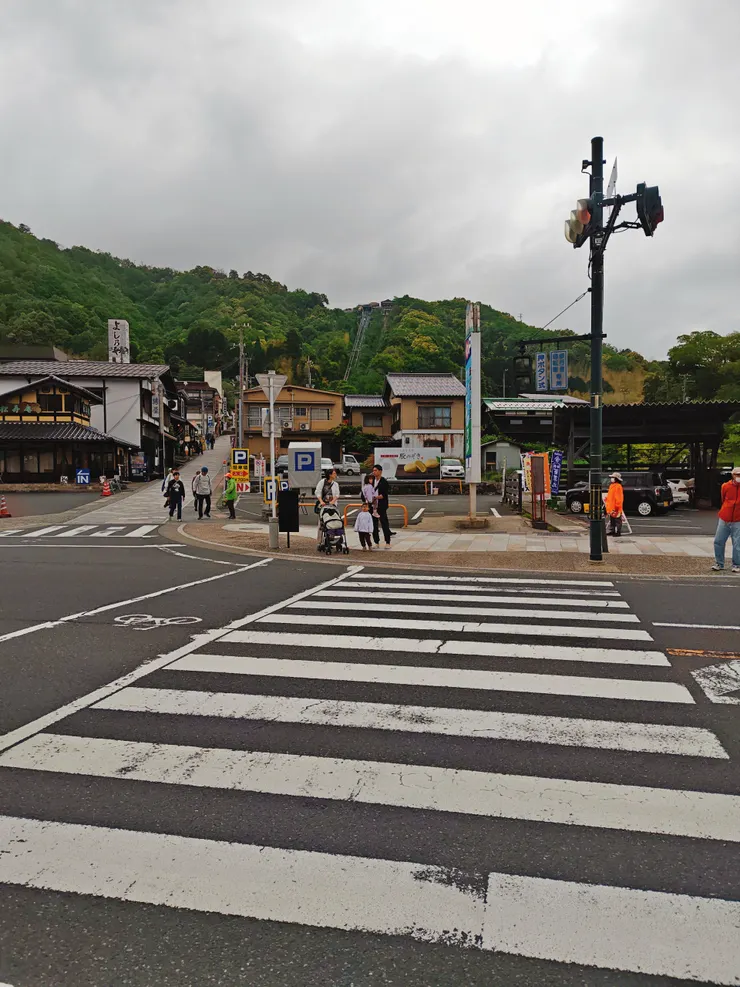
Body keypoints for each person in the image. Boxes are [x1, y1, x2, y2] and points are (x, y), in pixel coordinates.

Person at [711, 465, 740, 572]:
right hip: (725, 517)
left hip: (738, 519)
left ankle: (737, 564)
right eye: (737, 475)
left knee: (737, 543)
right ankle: (719, 563)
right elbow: (723, 499)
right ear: (733, 475)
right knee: (718, 541)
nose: (738, 477)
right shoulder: (725, 486)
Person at [314, 468, 340, 543]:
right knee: (322, 522)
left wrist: (333, 501)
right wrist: (321, 501)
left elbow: (337, 494)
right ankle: (320, 540)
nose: (335, 475)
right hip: (323, 505)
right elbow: (317, 492)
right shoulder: (322, 482)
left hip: (332, 505)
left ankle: (331, 538)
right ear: (330, 475)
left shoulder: (335, 484)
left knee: (332, 521)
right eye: (334, 473)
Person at [371, 463, 393, 549]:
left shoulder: (384, 482)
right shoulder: (372, 481)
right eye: (373, 470)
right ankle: (376, 542)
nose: (374, 472)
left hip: (381, 505)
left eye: (375, 470)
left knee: (384, 524)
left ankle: (388, 542)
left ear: (380, 471)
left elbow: (384, 494)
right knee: (374, 525)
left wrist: (376, 497)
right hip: (373, 506)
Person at [605, 472, 624, 537]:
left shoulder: (618, 486)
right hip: (611, 506)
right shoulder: (612, 486)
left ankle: (618, 531)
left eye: (613, 477)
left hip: (616, 506)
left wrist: (617, 506)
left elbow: (619, 498)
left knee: (617, 519)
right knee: (612, 519)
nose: (611, 479)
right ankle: (612, 530)